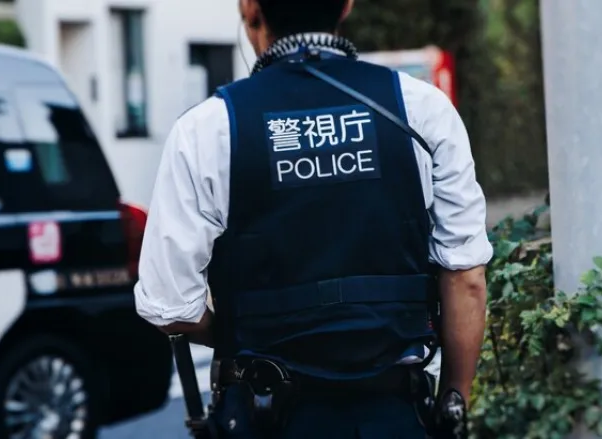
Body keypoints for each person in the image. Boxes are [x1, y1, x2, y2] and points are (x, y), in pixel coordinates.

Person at [133, 0, 492, 437]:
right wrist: (453, 398)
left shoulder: (206, 129)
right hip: (396, 412)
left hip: (265, 414)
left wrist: (238, 333)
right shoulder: (421, 108)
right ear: (346, 4)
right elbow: (466, 277)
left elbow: (169, 307)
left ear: (250, 7)